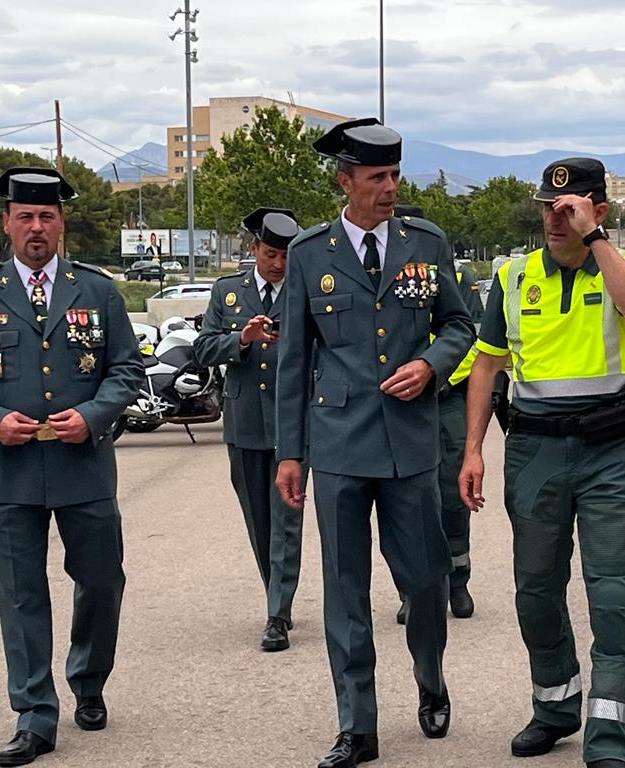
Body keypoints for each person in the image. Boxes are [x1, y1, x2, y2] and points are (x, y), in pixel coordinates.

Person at [274, 118, 474, 768]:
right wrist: (289, 452)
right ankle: (357, 726)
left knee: (424, 583)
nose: (390, 188)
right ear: (346, 180)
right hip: (337, 448)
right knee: (345, 588)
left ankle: (430, 676)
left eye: (394, 175)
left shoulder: (426, 243)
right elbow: (291, 364)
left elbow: (459, 323)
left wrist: (432, 365)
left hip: (410, 447)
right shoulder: (309, 253)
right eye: (376, 177)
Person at [0, 167, 144, 767]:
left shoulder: (97, 291)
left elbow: (127, 370)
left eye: (46, 216)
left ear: (61, 224)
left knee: (102, 581)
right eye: (24, 216)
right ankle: (34, 713)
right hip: (10, 471)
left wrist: (96, 414)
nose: (35, 227)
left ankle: (89, 677)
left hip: (83, 466)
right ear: (6, 224)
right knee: (22, 594)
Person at [459, 158, 625, 768]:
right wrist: (473, 450)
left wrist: (596, 240)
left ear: (596, 209)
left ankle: (607, 733)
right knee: (536, 590)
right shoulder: (514, 278)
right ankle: (555, 706)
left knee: (613, 596)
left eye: (568, 206)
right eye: (548, 206)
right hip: (536, 450)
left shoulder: (617, 269)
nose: (554, 216)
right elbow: (487, 365)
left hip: (610, 452)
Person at [193, 207, 305, 652]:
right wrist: (242, 339)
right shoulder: (229, 293)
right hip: (245, 423)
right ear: (254, 249)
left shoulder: (303, 291)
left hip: (291, 421)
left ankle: (277, 612)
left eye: (286, 257)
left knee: (286, 519)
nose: (279, 265)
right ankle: (276, 594)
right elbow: (202, 349)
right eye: (272, 254)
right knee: (259, 521)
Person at [393, 202, 482, 625]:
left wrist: (438, 374)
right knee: (404, 502)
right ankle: (412, 590)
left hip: (446, 399)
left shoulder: (457, 276)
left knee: (452, 497)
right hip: (398, 401)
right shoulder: (375, 270)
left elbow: (471, 336)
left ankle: (458, 579)